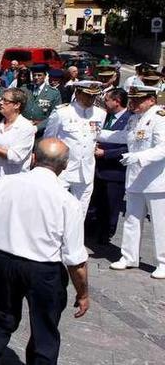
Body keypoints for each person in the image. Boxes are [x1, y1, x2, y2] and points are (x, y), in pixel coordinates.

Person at [0, 138, 90, 364]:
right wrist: (82, 292)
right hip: (43, 271)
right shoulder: (68, 201)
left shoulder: (4, 184)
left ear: (34, 158)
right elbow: (75, 260)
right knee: (44, 332)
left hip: (2, 262)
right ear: (64, 167)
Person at [98, 85, 165, 278]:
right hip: (136, 179)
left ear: (151, 100)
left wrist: (138, 157)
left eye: (138, 100)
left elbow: (162, 148)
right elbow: (124, 137)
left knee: (160, 224)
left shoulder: (159, 118)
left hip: (155, 181)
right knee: (131, 219)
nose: (133, 103)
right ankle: (128, 256)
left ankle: (163, 262)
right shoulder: (135, 118)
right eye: (132, 99)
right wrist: (96, 132)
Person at [43, 81, 106, 215]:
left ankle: (76, 236)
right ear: (77, 93)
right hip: (63, 170)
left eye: (94, 96)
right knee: (55, 209)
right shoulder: (62, 112)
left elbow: (96, 136)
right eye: (87, 95)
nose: (91, 99)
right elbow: (48, 140)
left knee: (80, 212)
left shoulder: (100, 113)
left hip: (86, 171)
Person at [89, 88, 130, 244]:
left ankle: (107, 233)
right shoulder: (105, 116)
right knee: (97, 202)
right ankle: (93, 229)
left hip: (115, 170)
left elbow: (128, 147)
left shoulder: (129, 119)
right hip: (98, 169)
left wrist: (105, 153)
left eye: (107, 100)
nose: (104, 102)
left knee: (112, 205)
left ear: (117, 101)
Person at [0, 88, 37, 194]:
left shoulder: (25, 127)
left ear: (17, 105)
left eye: (6, 101)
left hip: (12, 184)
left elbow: (16, 157)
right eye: (1, 99)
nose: (1, 103)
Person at [22, 64, 62, 138]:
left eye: (39, 75)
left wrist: (39, 126)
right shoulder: (24, 89)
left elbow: (55, 115)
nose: (36, 78)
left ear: (45, 76)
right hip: (23, 130)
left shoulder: (53, 93)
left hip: (42, 132)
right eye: (34, 75)